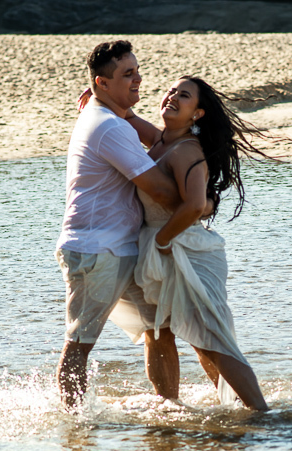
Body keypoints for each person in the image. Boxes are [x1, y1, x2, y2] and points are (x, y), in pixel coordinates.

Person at [114, 76, 271, 411]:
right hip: (165, 245)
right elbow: (129, 118)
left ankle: (262, 415)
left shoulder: (186, 150)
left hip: (184, 247)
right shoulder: (161, 140)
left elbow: (196, 206)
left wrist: (161, 242)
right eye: (171, 91)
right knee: (159, 331)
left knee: (211, 339)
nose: (172, 96)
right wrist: (100, 97)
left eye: (183, 95)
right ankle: (176, 405)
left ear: (197, 114)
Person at [56, 40, 184, 410]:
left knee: (160, 328)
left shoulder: (109, 117)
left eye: (138, 71)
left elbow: (158, 140)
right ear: (102, 82)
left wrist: (125, 111)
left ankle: (167, 409)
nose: (138, 79)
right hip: (97, 251)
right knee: (80, 343)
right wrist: (199, 203)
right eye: (128, 74)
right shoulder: (108, 126)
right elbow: (161, 191)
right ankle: (74, 426)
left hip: (123, 247)